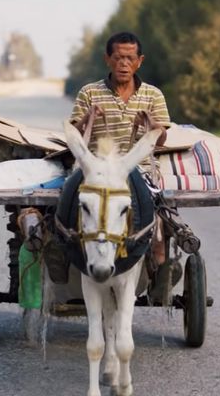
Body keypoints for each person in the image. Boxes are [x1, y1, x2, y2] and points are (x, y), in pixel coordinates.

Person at [69, 31, 175, 303]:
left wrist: (151, 123)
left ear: (139, 61)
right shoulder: (89, 92)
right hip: (96, 168)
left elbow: (161, 138)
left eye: (129, 58)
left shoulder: (153, 95)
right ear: (108, 59)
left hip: (138, 168)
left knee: (159, 222)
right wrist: (87, 119)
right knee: (69, 206)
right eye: (118, 57)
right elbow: (73, 135)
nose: (123, 64)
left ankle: (158, 273)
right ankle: (63, 255)